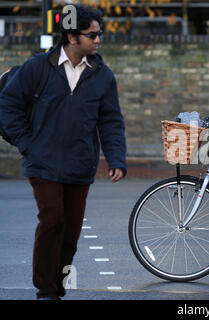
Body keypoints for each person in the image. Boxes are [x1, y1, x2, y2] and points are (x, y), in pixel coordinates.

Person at [0, 5, 127, 300]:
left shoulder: (102, 76)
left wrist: (116, 158)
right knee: (52, 219)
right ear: (71, 36)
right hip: (42, 162)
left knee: (70, 232)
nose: (98, 40)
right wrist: (26, 143)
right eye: (92, 34)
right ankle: (45, 290)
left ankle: (57, 287)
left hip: (80, 164)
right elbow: (7, 105)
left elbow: (111, 120)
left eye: (100, 34)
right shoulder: (37, 68)